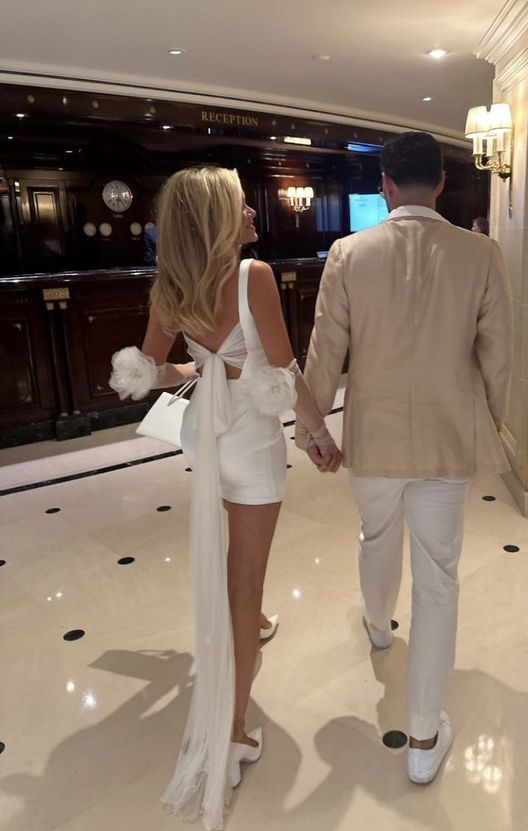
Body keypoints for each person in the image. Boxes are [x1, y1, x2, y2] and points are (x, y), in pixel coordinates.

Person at [110, 166, 341, 830]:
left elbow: (153, 372)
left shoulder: (172, 288)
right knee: (245, 575)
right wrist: (318, 433)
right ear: (217, 219)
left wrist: (200, 362)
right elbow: (285, 368)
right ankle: (234, 730)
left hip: (205, 437)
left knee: (233, 560)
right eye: (242, 206)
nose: (253, 215)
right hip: (248, 438)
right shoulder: (252, 277)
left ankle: (252, 626)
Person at [296, 132, 512, 786]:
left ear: (385, 185)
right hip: (448, 438)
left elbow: (324, 351)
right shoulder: (481, 253)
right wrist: (490, 425)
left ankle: (376, 621)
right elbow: (497, 354)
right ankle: (423, 735)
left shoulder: (348, 253)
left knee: (376, 534)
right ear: (441, 183)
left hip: (374, 437)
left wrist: (315, 433)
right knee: (440, 576)